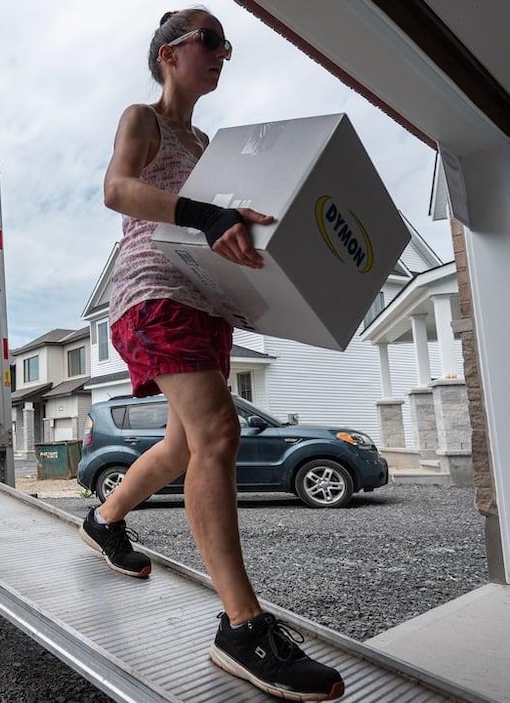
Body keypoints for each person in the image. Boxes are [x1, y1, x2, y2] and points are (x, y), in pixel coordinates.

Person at [78, 8, 344, 700]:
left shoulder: (205, 144)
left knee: (182, 446)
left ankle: (103, 520)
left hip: (205, 300)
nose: (224, 52)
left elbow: (224, 222)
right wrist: (205, 215)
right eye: (210, 40)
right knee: (219, 433)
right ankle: (241, 626)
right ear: (168, 53)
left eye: (229, 44)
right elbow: (117, 189)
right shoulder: (144, 118)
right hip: (151, 290)